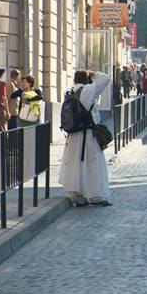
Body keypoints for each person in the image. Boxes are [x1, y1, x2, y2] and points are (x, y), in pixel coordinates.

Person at [58, 70, 112, 206]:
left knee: (75, 164)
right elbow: (105, 78)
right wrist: (93, 73)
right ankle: (94, 195)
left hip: (73, 134)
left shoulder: (69, 92)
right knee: (92, 164)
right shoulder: (88, 91)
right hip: (87, 134)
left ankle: (78, 195)